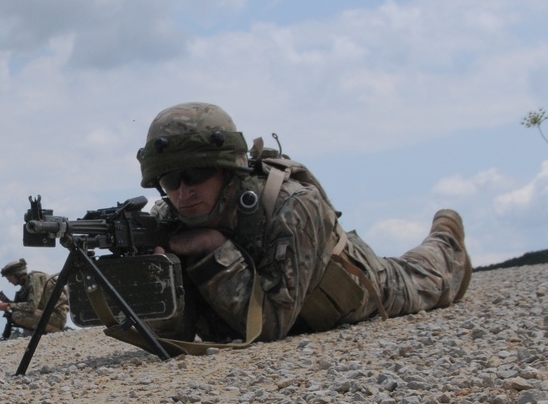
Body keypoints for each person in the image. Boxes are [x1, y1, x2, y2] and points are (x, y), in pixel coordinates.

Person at [132, 102, 471, 346]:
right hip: (288, 308)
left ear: (226, 169)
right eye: (171, 180)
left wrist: (212, 251)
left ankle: (445, 234)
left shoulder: (289, 206)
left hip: (362, 286)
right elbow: (170, 337)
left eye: (196, 174)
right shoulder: (169, 220)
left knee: (429, 278)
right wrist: (153, 281)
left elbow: (271, 325)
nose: (183, 191)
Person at [0, 258, 69, 334]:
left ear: (17, 274)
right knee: (18, 313)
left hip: (57, 317)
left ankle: (53, 331)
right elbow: (24, 305)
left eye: (9, 278)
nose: (9, 281)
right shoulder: (27, 284)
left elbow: (31, 306)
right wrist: (7, 301)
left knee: (17, 315)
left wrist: (8, 305)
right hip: (49, 315)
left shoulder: (35, 279)